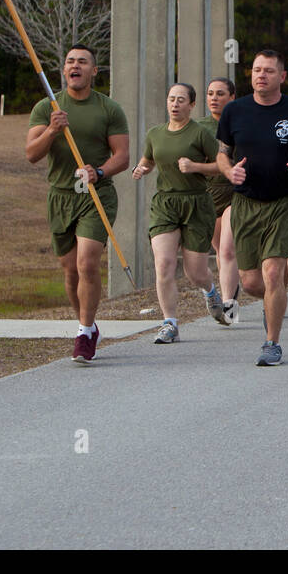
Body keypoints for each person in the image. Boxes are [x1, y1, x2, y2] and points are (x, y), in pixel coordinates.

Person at [216, 49, 288, 366]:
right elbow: (222, 153)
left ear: (282, 77)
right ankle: (275, 305)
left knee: (273, 272)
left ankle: (272, 343)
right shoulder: (234, 111)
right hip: (246, 202)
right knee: (252, 282)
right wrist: (228, 171)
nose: (260, 75)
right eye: (256, 70)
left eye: (268, 70)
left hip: (284, 202)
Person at [25, 44, 130, 364]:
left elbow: (122, 157)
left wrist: (98, 171)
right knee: (70, 271)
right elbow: (31, 154)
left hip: (95, 194)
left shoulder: (109, 109)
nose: (76, 66)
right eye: (71, 61)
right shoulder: (47, 107)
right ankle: (89, 323)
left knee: (87, 263)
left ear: (94, 71)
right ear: (64, 70)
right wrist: (53, 130)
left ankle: (84, 333)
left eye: (83, 62)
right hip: (60, 195)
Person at [131, 83, 221, 343]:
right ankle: (169, 323)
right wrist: (141, 169)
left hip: (196, 204)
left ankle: (210, 290)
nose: (175, 104)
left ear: (191, 105)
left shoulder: (201, 133)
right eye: (171, 99)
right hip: (165, 204)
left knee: (195, 272)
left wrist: (195, 166)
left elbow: (221, 166)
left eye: (181, 100)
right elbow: (149, 160)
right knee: (164, 264)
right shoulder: (155, 134)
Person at [198, 77, 240, 324]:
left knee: (227, 249)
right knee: (218, 250)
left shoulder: (240, 122)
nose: (214, 98)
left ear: (232, 97)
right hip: (208, 196)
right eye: (210, 93)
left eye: (220, 94)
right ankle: (225, 291)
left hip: (235, 194)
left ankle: (229, 306)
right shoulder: (198, 126)